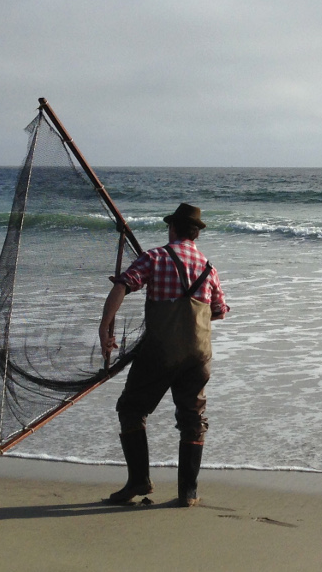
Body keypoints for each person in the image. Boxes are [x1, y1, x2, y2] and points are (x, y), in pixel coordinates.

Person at [99, 203, 230, 507]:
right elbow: (219, 312)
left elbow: (123, 286)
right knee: (192, 418)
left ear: (172, 228)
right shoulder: (209, 269)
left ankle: (139, 481)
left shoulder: (155, 257)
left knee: (131, 408)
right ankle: (188, 492)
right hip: (198, 356)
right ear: (196, 233)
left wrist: (105, 327)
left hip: (160, 352)